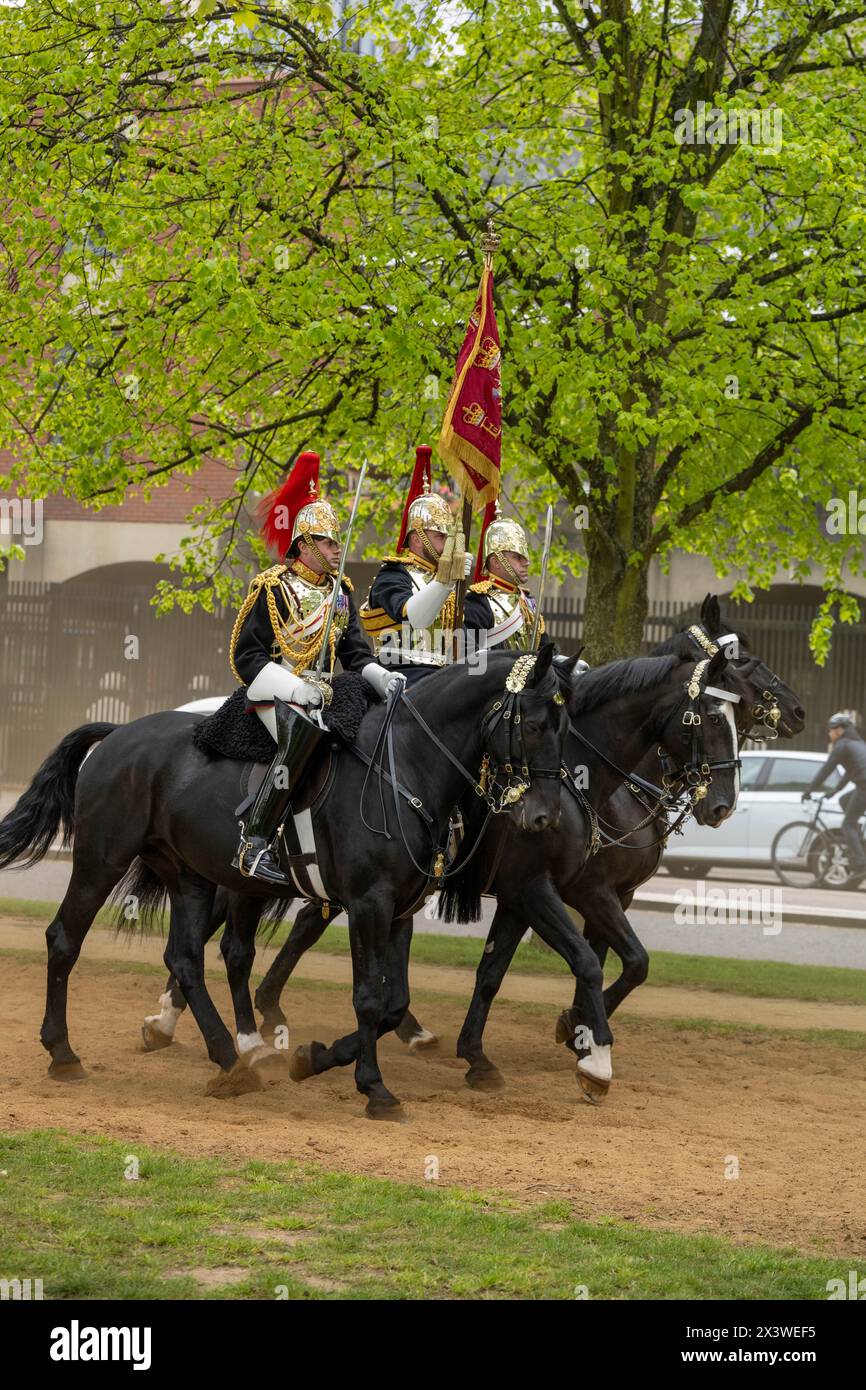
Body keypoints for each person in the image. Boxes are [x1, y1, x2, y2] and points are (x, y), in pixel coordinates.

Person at [228, 450, 398, 886]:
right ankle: (255, 843)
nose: (337, 548)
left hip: (325, 692)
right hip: (273, 694)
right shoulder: (274, 587)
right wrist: (291, 687)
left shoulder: (340, 592)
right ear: (303, 546)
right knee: (300, 733)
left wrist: (380, 675)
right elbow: (246, 657)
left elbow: (355, 654)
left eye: (337, 541)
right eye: (328, 542)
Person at [359, 445, 473, 684]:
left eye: (448, 538)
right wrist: (447, 580)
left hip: (442, 676)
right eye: (440, 537)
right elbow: (415, 618)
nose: (447, 545)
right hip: (401, 673)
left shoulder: (444, 582)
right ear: (417, 538)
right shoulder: (393, 574)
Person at [464, 499, 551, 650]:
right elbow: (474, 662)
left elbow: (545, 650)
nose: (526, 563)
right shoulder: (478, 602)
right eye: (518, 557)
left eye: (525, 557)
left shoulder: (528, 601)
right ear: (496, 562)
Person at [802, 712, 866, 885]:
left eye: (830, 730)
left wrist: (809, 790)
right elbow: (850, 774)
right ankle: (857, 838)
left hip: (864, 786)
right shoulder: (857, 743)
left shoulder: (842, 745)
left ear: (839, 730)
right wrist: (834, 791)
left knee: (847, 824)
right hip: (862, 785)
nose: (829, 734)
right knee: (844, 800)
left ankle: (861, 863)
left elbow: (826, 769)